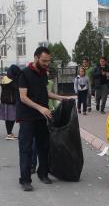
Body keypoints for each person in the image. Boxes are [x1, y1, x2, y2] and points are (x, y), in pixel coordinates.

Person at [17, 46, 76, 191]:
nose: (46, 63)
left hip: (42, 116)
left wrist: (63, 98)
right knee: (26, 149)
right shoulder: (24, 74)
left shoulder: (43, 74)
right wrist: (39, 107)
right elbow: (23, 97)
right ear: (36, 58)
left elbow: (46, 93)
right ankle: (25, 180)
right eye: (44, 61)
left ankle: (43, 174)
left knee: (44, 146)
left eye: (48, 61)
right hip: (27, 118)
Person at [0, 65, 21, 140]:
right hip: (11, 102)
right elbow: (17, 88)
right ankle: (9, 134)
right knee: (10, 118)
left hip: (5, 101)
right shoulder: (12, 81)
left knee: (9, 118)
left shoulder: (5, 78)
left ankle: (10, 133)